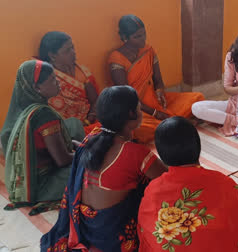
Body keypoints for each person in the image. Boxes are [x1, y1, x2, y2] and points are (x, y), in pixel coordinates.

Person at [41, 86, 167, 251]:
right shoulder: (136, 153)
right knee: (160, 189)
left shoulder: (91, 137)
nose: (141, 110)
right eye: (138, 107)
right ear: (131, 114)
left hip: (87, 228)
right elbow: (168, 178)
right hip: (113, 237)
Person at [138, 117, 238, 252]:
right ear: (198, 146)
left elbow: (147, 231)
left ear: (162, 155)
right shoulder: (223, 182)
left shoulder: (153, 189)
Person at [1, 60, 84, 215]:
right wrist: (85, 151)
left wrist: (72, 143)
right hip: (41, 186)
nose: (58, 82)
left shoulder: (24, 106)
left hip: (22, 180)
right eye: (52, 80)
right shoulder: (44, 115)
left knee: (74, 124)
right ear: (36, 87)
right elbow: (63, 160)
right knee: (91, 165)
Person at [108, 14, 204, 144]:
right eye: (137, 36)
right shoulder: (116, 58)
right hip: (135, 109)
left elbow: (158, 79)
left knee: (197, 98)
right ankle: (175, 123)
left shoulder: (148, 50)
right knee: (137, 129)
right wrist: (154, 113)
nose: (143, 40)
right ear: (124, 38)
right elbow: (127, 97)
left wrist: (160, 92)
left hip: (154, 100)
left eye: (144, 34)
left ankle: (170, 123)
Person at [38, 31, 101, 134]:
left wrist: (88, 120)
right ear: (52, 55)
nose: (73, 52)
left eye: (72, 47)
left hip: (89, 123)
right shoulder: (45, 77)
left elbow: (95, 101)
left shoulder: (83, 72)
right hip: (62, 130)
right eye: (67, 51)